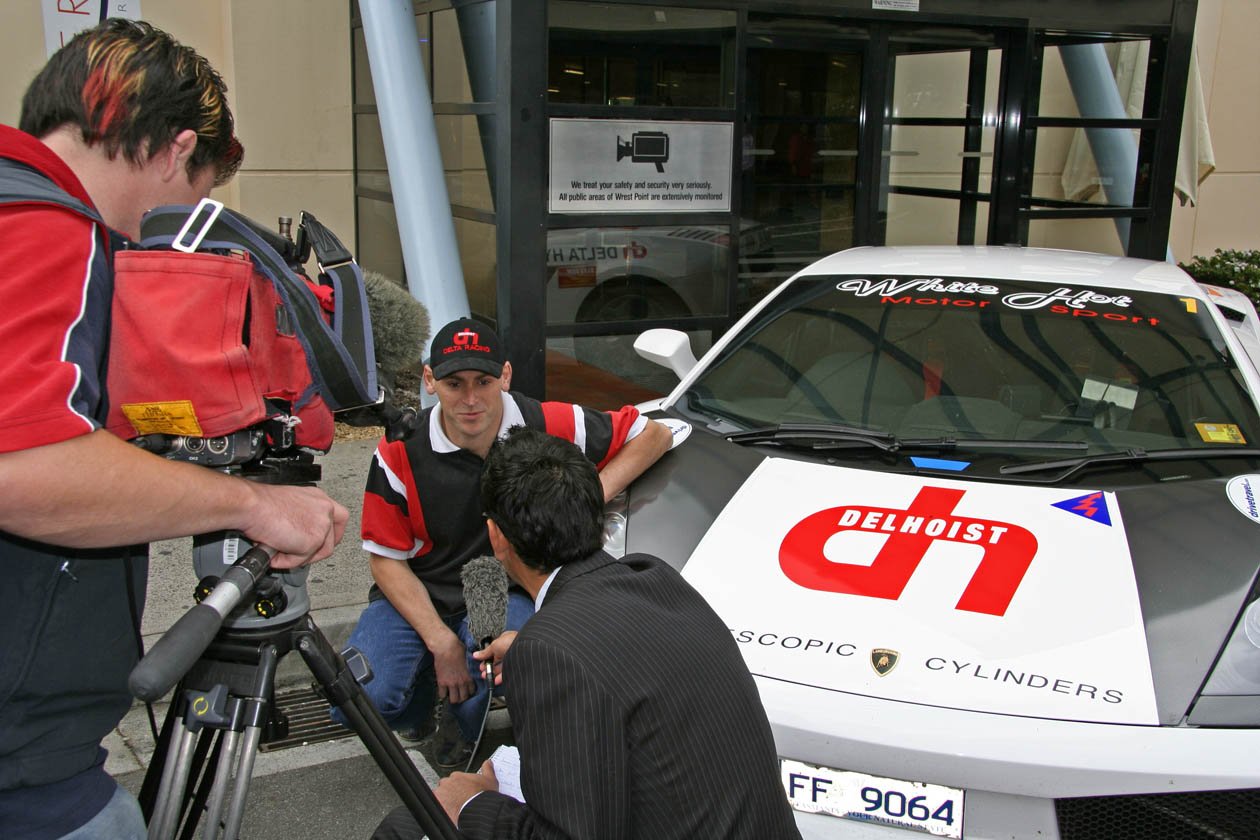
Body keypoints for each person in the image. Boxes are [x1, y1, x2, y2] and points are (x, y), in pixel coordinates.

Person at [0, 21, 348, 839]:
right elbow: (24, 466)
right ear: (174, 148)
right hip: (25, 771)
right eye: (196, 190)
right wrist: (252, 506)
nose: (182, 222)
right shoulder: (49, 227)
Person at [410, 427, 799, 839]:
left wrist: (472, 803)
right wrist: (532, 650)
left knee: (409, 824)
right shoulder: (654, 576)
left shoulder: (552, 651)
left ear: (496, 536)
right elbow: (625, 652)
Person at [339, 317, 672, 768]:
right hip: (421, 585)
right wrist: (441, 643)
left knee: (501, 667)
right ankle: (419, 711)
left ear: (507, 376)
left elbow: (654, 433)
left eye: (485, 381)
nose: (471, 399)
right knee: (357, 698)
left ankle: (467, 729)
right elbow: (386, 561)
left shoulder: (541, 421)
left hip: (495, 585)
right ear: (429, 380)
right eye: (455, 383)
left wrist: (585, 494)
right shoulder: (400, 448)